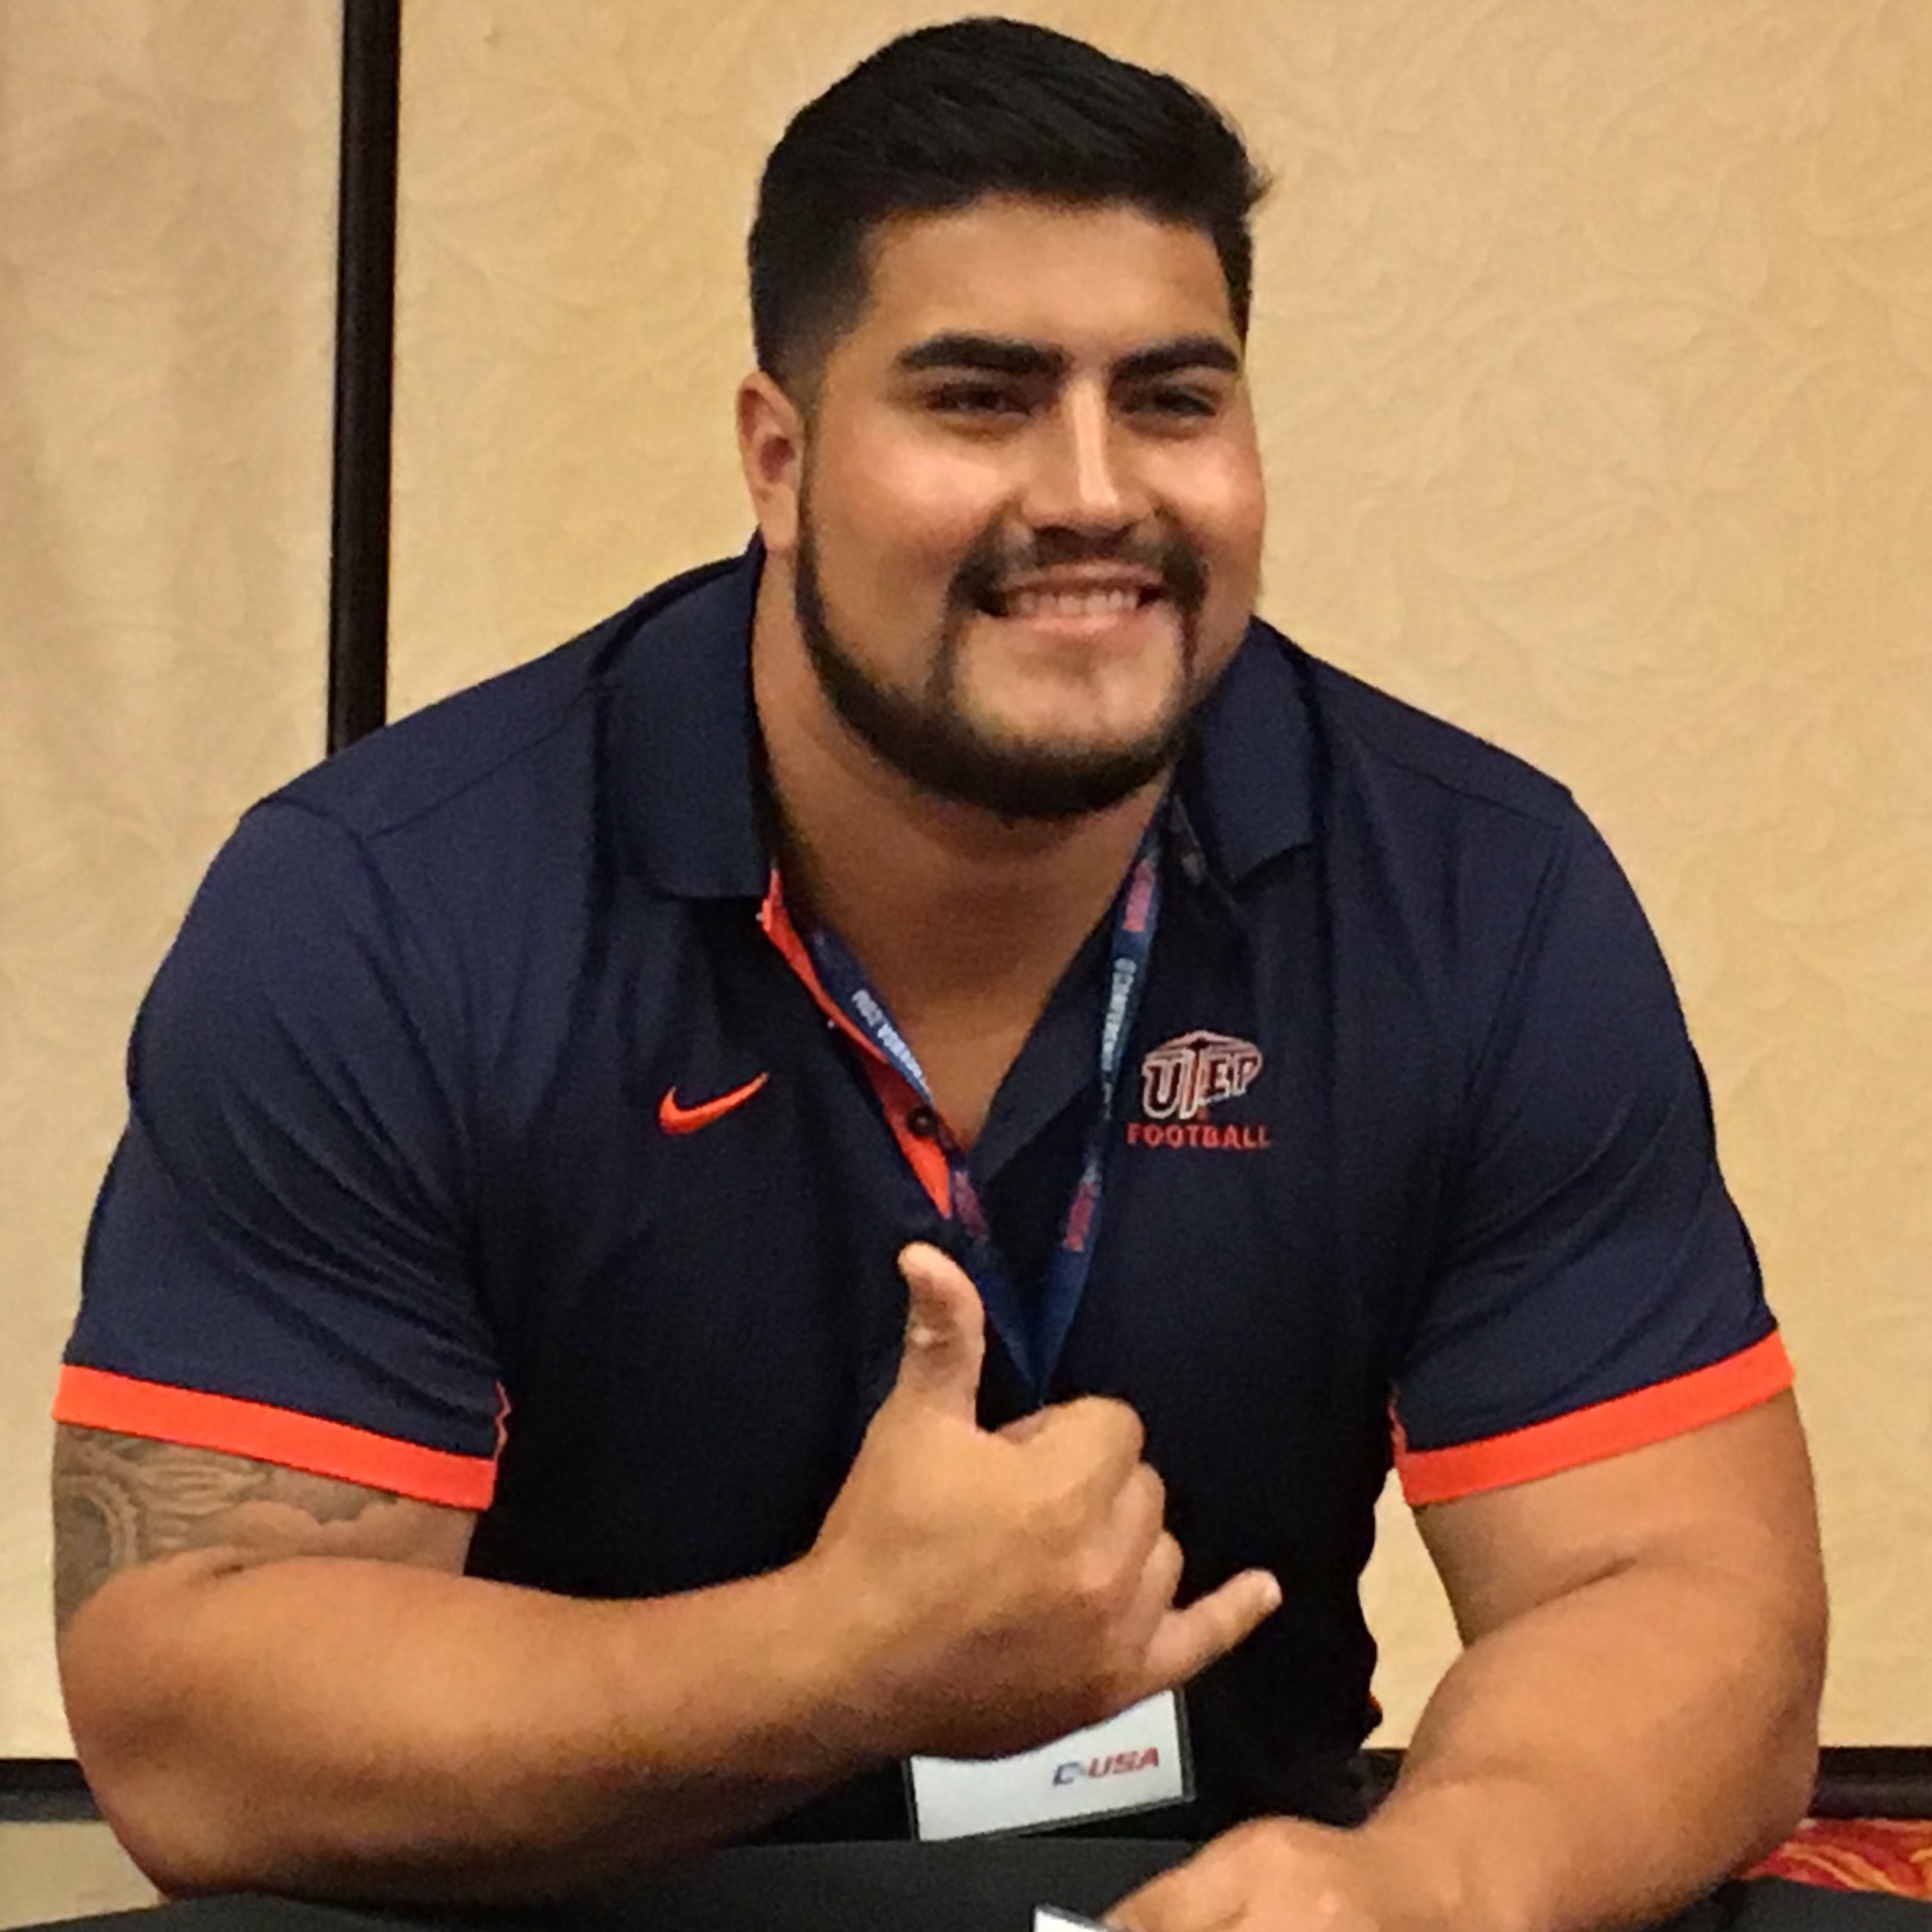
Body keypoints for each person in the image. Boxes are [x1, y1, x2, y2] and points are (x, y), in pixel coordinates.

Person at [53, 18, 1826, 1929]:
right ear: (779, 454)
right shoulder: (381, 906)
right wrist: (838, 1656)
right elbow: (193, 1722)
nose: (1093, 492)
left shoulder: (1478, 888)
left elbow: (1682, 1596)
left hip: (1217, 1894)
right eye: (981, 399)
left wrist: (1428, 1894)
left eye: (1171, 399)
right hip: (561, 1897)